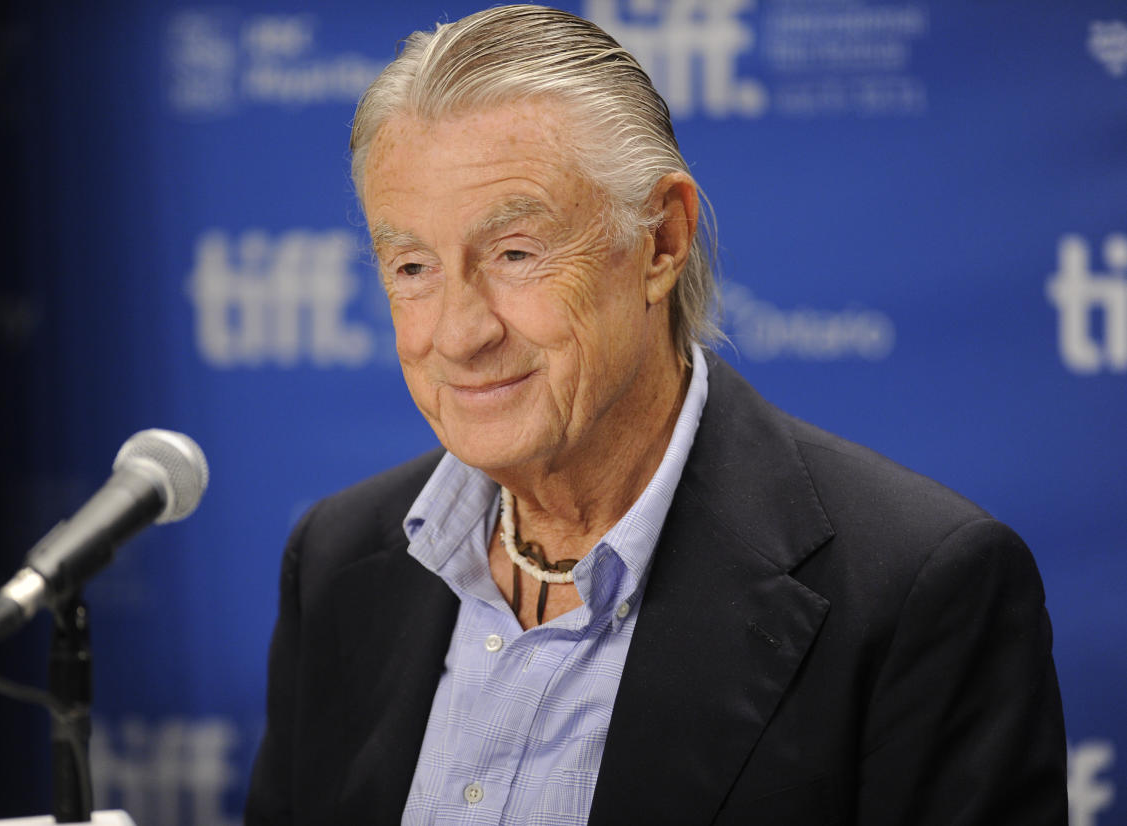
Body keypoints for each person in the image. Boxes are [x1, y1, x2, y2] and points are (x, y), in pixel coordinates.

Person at [245, 5, 1067, 824]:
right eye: (413, 265)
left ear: (660, 241)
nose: (459, 333)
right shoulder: (336, 561)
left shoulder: (917, 590)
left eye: (515, 254)